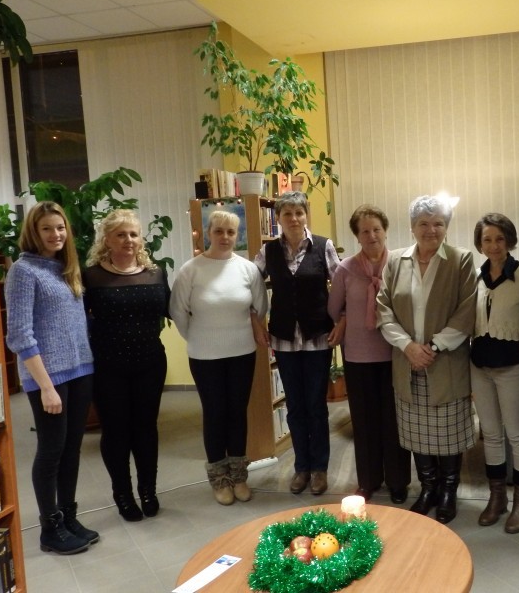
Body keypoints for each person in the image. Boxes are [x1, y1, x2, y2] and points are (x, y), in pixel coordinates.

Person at [5, 201, 99, 555]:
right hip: (49, 378)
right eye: (47, 228)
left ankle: (68, 517)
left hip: (80, 371)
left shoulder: (65, 267)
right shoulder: (23, 271)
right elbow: (19, 334)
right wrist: (45, 386)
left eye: (60, 228)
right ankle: (50, 528)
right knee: (51, 451)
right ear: (34, 231)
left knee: (71, 449)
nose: (55, 234)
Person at [377, 195, 476, 524]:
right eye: (423, 223)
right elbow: (384, 308)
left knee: (448, 433)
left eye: (438, 223)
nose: (430, 230)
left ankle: (448, 490)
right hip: (407, 363)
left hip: (444, 362)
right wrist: (408, 347)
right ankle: (428, 487)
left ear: (446, 227)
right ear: (412, 227)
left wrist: (432, 347)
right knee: (416, 432)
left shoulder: (461, 260)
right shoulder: (395, 260)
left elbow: (466, 310)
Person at [170, 210, 267, 505]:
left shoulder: (248, 269)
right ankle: (219, 479)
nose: (225, 237)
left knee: (237, 412)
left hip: (242, 352)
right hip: (204, 356)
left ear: (237, 235)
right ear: (208, 233)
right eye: (219, 231)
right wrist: (197, 338)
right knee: (214, 414)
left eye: (231, 232)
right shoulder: (191, 270)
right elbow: (178, 311)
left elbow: (260, 307)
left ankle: (238, 476)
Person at [83, 210, 170, 522]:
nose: (128, 240)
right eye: (120, 234)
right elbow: (78, 323)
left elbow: (176, 309)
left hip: (150, 363)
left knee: (146, 428)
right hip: (109, 367)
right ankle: (122, 494)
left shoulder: (156, 274)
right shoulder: (91, 276)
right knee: (116, 431)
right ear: (107, 239)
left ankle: (148, 490)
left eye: (133, 234)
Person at [253, 192, 341, 496]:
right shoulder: (268, 251)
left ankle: (320, 469)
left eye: (299, 212)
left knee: (316, 405)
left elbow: (341, 286)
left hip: (318, 337)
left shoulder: (323, 246)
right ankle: (301, 467)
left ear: (306, 215)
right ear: (278, 218)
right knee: (295, 406)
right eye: (287, 213)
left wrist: (341, 322)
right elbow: (250, 285)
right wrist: (256, 322)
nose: (293, 218)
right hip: (284, 339)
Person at [327, 204, 411, 503]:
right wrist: (346, 318)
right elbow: (333, 308)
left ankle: (398, 481)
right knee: (364, 423)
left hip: (395, 355)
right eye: (365, 231)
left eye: (376, 229)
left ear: (385, 231)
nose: (372, 235)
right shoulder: (345, 269)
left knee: (394, 422)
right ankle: (368, 480)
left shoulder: (400, 265)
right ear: (357, 236)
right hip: (358, 356)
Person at [470, 213, 519, 534]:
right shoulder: (476, 277)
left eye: (499, 238)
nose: (493, 245)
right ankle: (497, 498)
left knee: (517, 435)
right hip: (479, 368)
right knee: (491, 434)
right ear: (479, 244)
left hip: (511, 368)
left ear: (509, 239)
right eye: (487, 239)